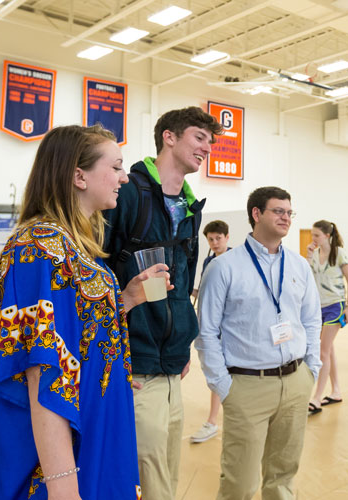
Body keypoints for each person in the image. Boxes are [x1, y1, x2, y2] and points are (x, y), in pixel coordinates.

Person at [0, 125, 171, 499]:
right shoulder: (39, 248)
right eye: (116, 167)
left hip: (90, 419)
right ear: (79, 175)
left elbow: (76, 332)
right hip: (55, 448)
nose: (124, 178)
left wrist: (124, 301)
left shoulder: (70, 246)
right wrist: (62, 484)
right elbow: (39, 369)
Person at [103, 106, 222, 500]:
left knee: (167, 471)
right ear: (168, 137)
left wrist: (182, 344)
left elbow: (183, 283)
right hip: (133, 361)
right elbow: (93, 271)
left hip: (172, 363)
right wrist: (112, 354)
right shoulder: (127, 194)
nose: (206, 147)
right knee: (142, 473)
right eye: (198, 137)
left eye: (210, 141)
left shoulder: (190, 209)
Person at [195, 186, 322, 500]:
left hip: (295, 383)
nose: (286, 218)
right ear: (256, 214)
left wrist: (311, 370)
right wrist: (223, 386)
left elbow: (311, 320)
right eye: (278, 211)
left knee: (282, 477)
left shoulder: (298, 266)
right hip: (246, 386)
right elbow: (206, 332)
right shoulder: (224, 267)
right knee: (240, 483)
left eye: (289, 212)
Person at [306, 220, 348, 414]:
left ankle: (317, 397)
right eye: (312, 235)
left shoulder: (340, 253)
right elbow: (309, 278)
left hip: (336, 305)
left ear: (327, 235)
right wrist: (309, 257)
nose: (313, 239)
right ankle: (335, 391)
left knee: (322, 351)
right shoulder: (315, 254)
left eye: (316, 235)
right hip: (319, 307)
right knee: (329, 349)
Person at [191, 219, 230, 443]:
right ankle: (213, 421)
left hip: (231, 328)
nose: (214, 242)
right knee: (218, 371)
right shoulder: (207, 261)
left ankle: (215, 420)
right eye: (211, 239)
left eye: (218, 238)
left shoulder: (236, 259)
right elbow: (207, 292)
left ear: (227, 237)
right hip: (213, 328)